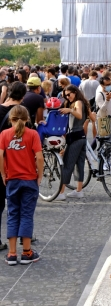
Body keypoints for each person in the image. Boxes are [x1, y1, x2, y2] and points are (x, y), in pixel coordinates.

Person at [0, 105, 44, 265]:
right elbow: (39, 157)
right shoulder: (32, 134)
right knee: (26, 214)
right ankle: (27, 252)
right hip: (29, 179)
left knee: (13, 214)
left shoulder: (4, 134)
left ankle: (12, 254)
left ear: (11, 119)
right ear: (27, 119)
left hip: (12, 179)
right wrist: (39, 175)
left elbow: (0, 155)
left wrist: (3, 173)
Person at [0, 82, 28, 252]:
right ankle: (24, 239)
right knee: (20, 204)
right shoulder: (22, 113)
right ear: (23, 96)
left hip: (1, 162)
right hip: (17, 165)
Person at [56, 86, 91, 201]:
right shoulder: (83, 102)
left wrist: (70, 110)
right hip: (81, 136)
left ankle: (61, 192)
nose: (67, 97)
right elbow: (91, 117)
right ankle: (79, 190)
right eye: (65, 95)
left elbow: (80, 115)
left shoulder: (78, 103)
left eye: (69, 94)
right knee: (79, 164)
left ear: (75, 93)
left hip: (75, 137)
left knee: (67, 164)